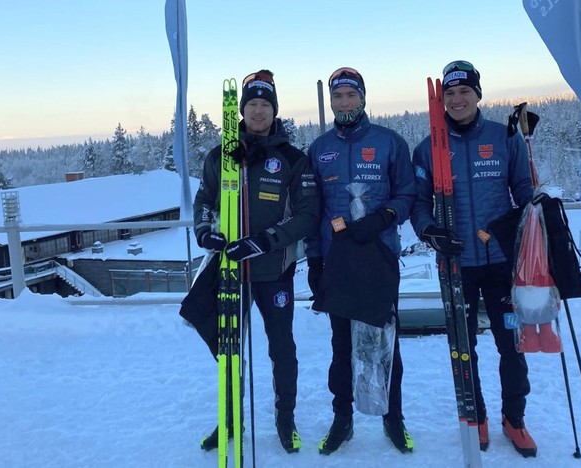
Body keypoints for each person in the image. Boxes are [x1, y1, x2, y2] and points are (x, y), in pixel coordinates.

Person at [410, 60, 537, 457]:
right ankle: (475, 414)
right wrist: (429, 229)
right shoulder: (428, 147)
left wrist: (533, 222)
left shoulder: (505, 138)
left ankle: (514, 419)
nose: (457, 99)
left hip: (503, 264)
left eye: (464, 91)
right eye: (449, 93)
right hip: (456, 265)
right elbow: (418, 202)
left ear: (478, 95)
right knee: (463, 347)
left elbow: (524, 192)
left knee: (511, 343)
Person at [192, 69, 320, 454]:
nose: (258, 111)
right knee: (229, 348)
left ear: (274, 109)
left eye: (265, 104)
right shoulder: (220, 157)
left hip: (273, 271)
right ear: (242, 110)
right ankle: (230, 419)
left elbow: (308, 215)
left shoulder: (292, 159)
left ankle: (285, 419)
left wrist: (265, 241)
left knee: (281, 347)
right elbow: (203, 201)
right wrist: (204, 231)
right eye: (252, 104)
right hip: (230, 270)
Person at [305, 67, 416, 455]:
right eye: (338, 97)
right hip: (336, 258)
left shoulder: (389, 142)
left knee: (387, 340)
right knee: (340, 346)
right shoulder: (319, 149)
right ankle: (342, 419)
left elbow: (407, 193)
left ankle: (393, 417)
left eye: (351, 95)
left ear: (363, 98)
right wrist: (315, 260)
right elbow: (312, 209)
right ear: (332, 102)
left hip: (379, 253)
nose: (345, 103)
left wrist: (385, 217)